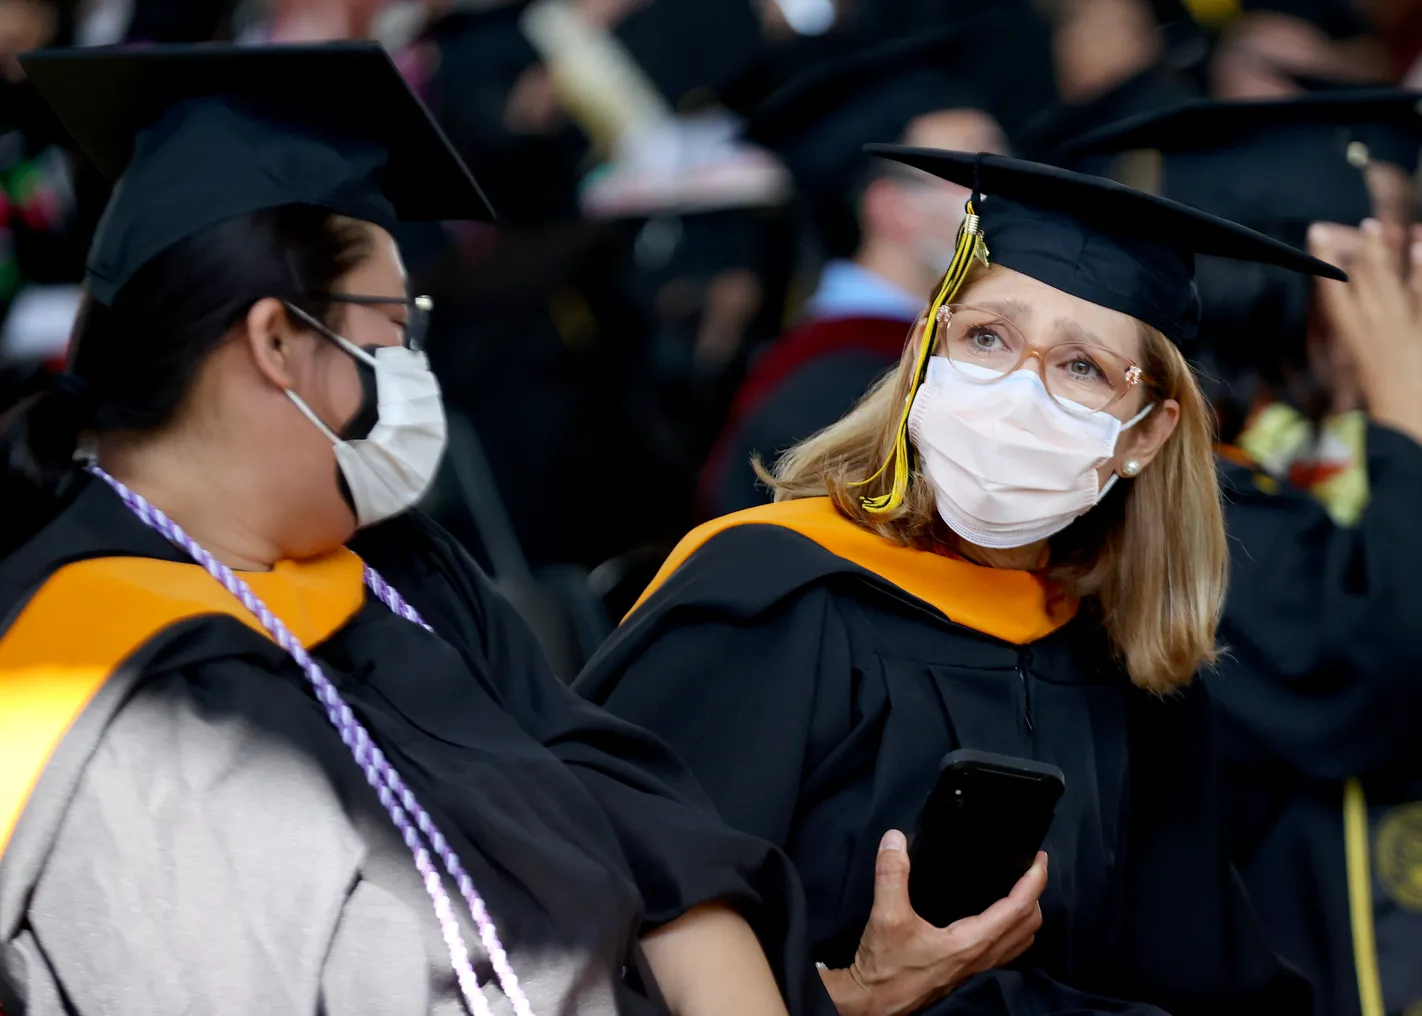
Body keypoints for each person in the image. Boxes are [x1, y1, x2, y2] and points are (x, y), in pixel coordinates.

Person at [0, 43, 831, 1016]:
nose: (411, 370)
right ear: (276, 341)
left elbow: (630, 804)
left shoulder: (397, 567)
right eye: (391, 328)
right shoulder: (115, 697)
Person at [577, 148, 1344, 1015]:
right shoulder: (770, 594)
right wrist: (854, 994)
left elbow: (1204, 975)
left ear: (1145, 435)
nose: (1018, 392)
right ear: (927, 351)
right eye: (988, 338)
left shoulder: (1119, 667)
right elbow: (608, 921)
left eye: (1082, 367)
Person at [699, 28, 1011, 517]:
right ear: (892, 209)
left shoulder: (927, 347)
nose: (1010, 197)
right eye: (981, 174)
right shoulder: (834, 387)